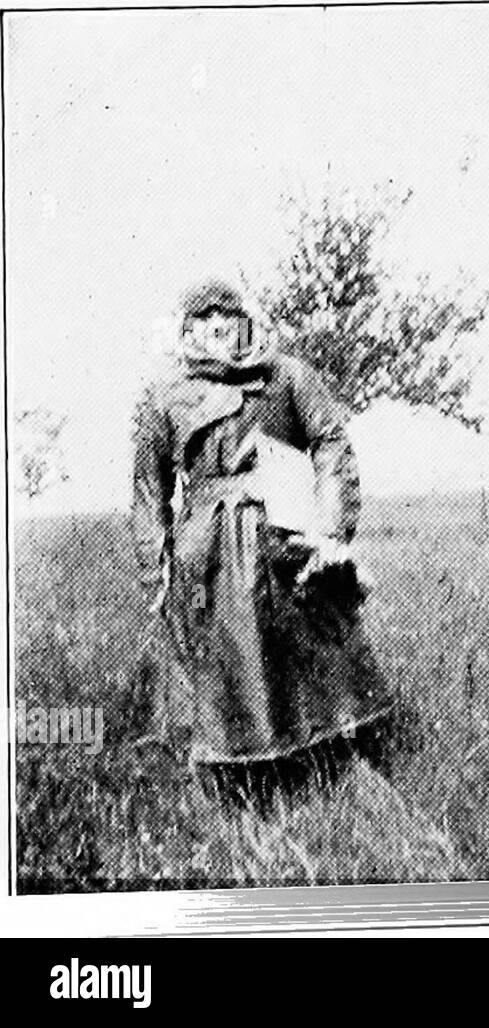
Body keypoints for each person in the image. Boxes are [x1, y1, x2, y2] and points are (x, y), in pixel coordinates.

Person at [132, 278, 394, 808]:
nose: (217, 327)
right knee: (225, 662)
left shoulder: (289, 375)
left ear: (245, 322)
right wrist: (155, 568)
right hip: (207, 546)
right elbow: (148, 490)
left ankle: (329, 764)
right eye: (204, 320)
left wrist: (332, 530)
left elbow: (331, 441)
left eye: (227, 317)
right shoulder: (163, 396)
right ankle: (239, 787)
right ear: (187, 330)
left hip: (286, 529)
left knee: (312, 648)